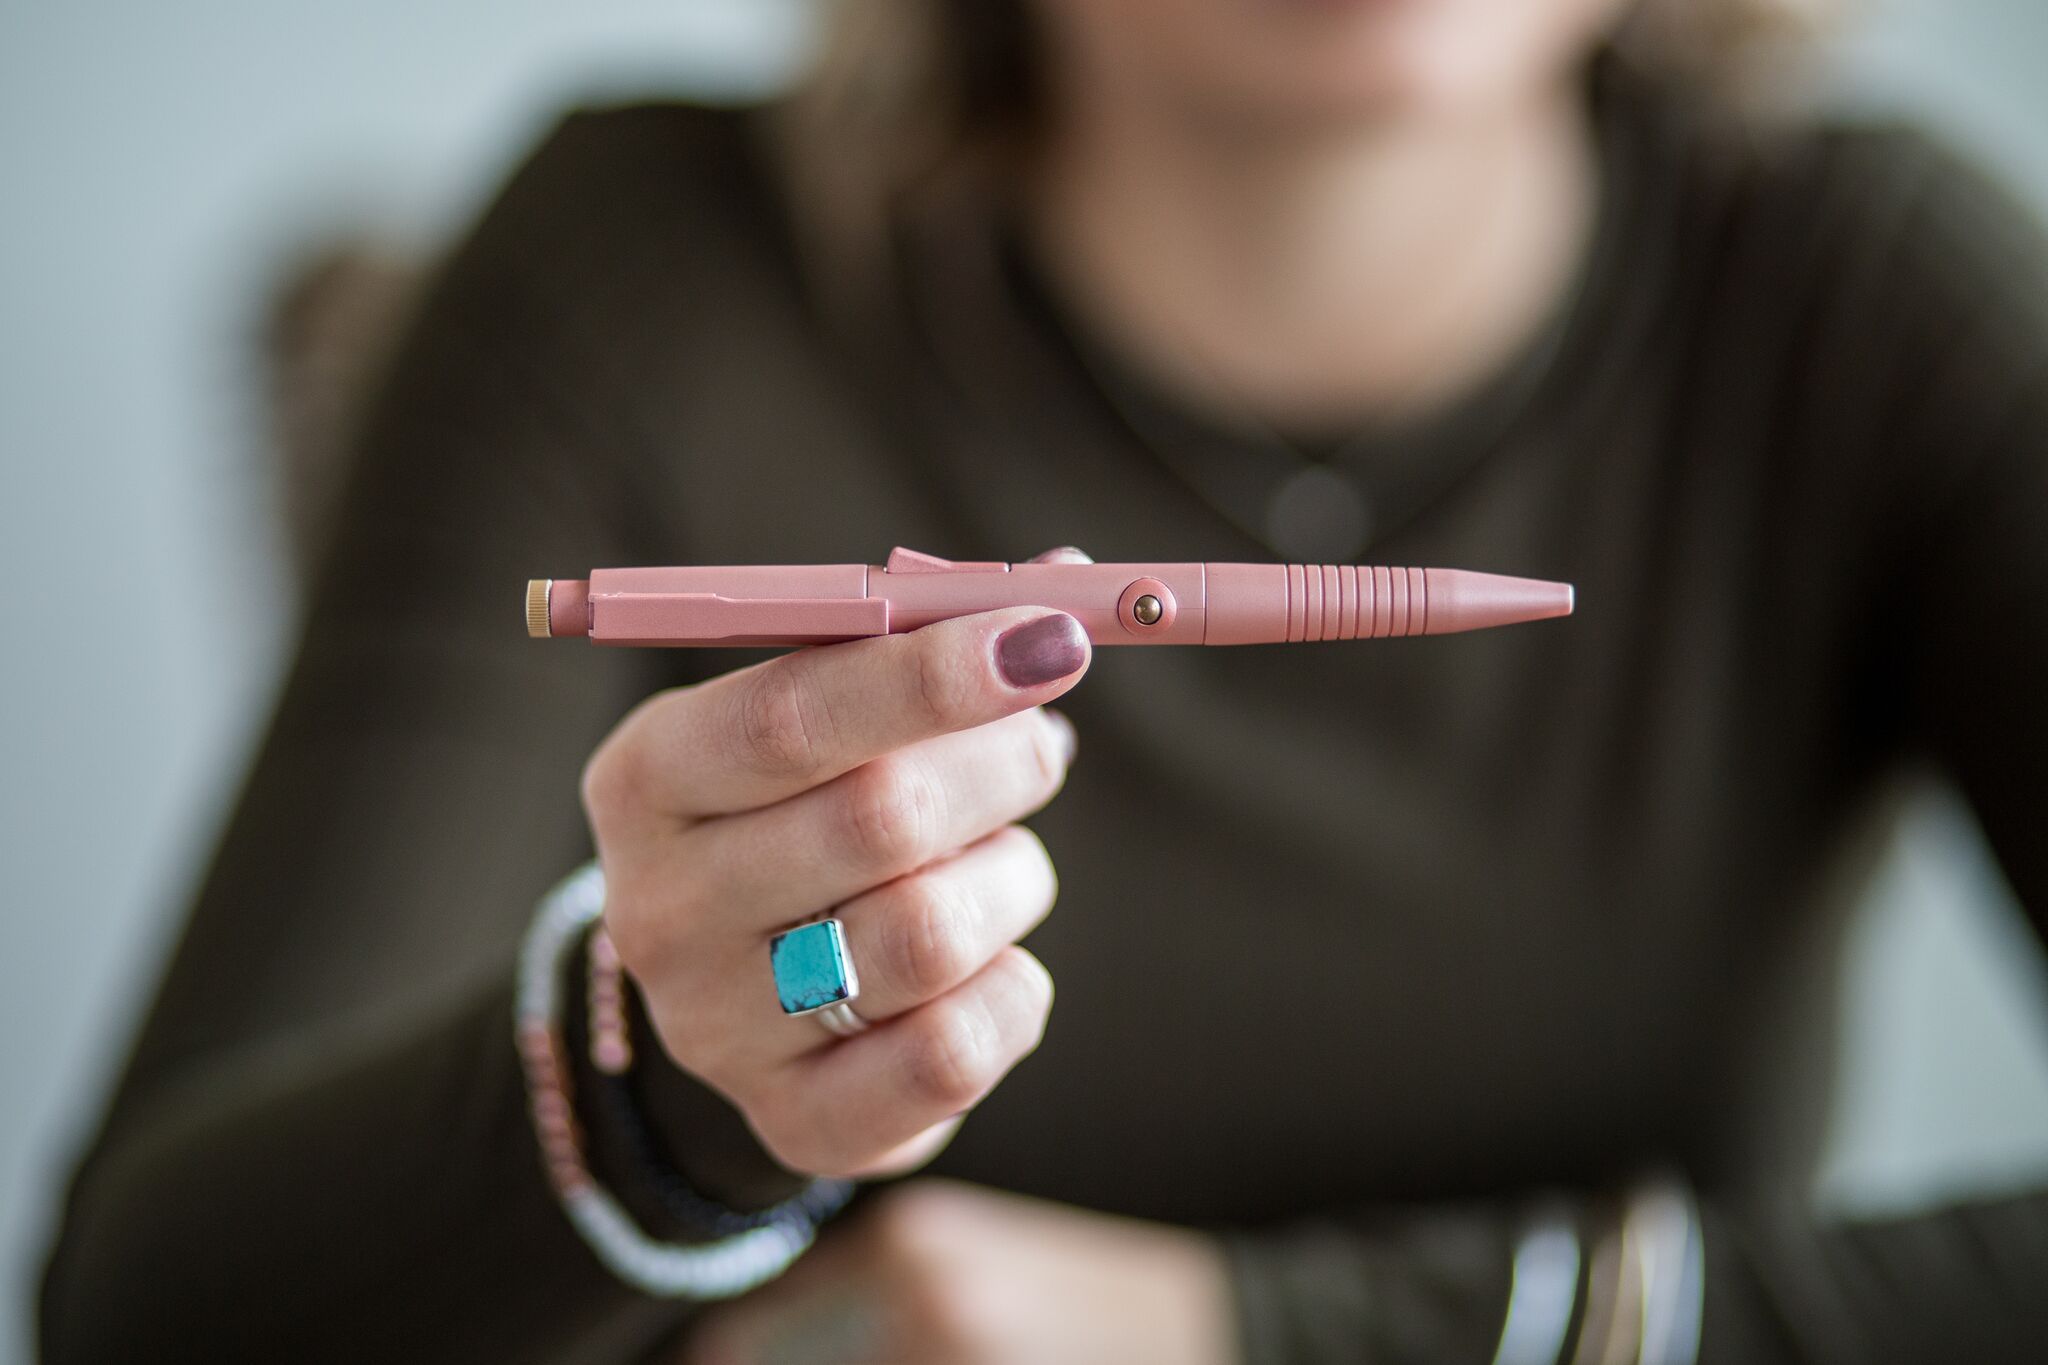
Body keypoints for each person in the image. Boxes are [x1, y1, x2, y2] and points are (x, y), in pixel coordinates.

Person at [41, 0, 2048, 1360]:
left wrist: (1245, 1334)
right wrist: (668, 1085)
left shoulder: (1872, 298)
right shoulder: (636, 271)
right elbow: (145, 1311)